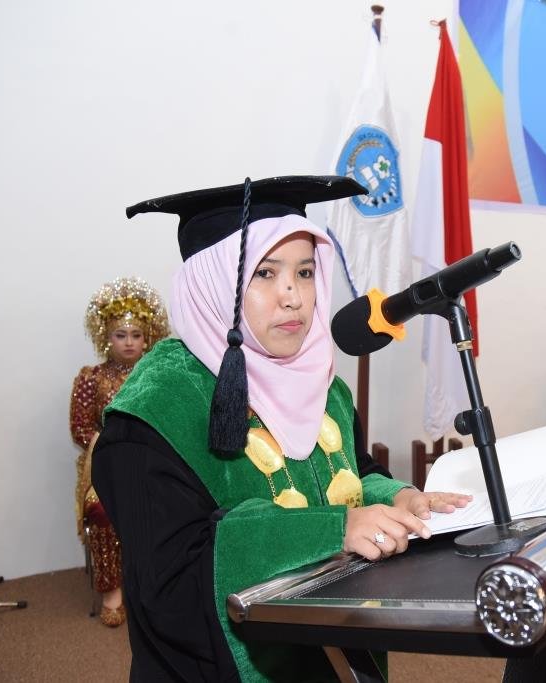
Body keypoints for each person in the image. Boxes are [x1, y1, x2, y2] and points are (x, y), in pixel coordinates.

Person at [92, 176, 471, 681]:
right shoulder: (154, 410)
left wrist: (399, 497)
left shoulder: (323, 384)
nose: (293, 296)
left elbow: (353, 471)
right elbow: (172, 580)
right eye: (265, 273)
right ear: (212, 284)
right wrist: (333, 530)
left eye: (305, 272)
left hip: (337, 644)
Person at [69, 276, 169, 627]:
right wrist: (113, 447)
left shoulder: (159, 376)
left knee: (172, 503)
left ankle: (159, 585)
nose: (128, 342)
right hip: (105, 468)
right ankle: (112, 590)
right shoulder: (91, 378)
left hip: (153, 463)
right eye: (120, 335)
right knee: (102, 511)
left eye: (136, 335)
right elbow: (80, 428)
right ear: (106, 337)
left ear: (147, 337)